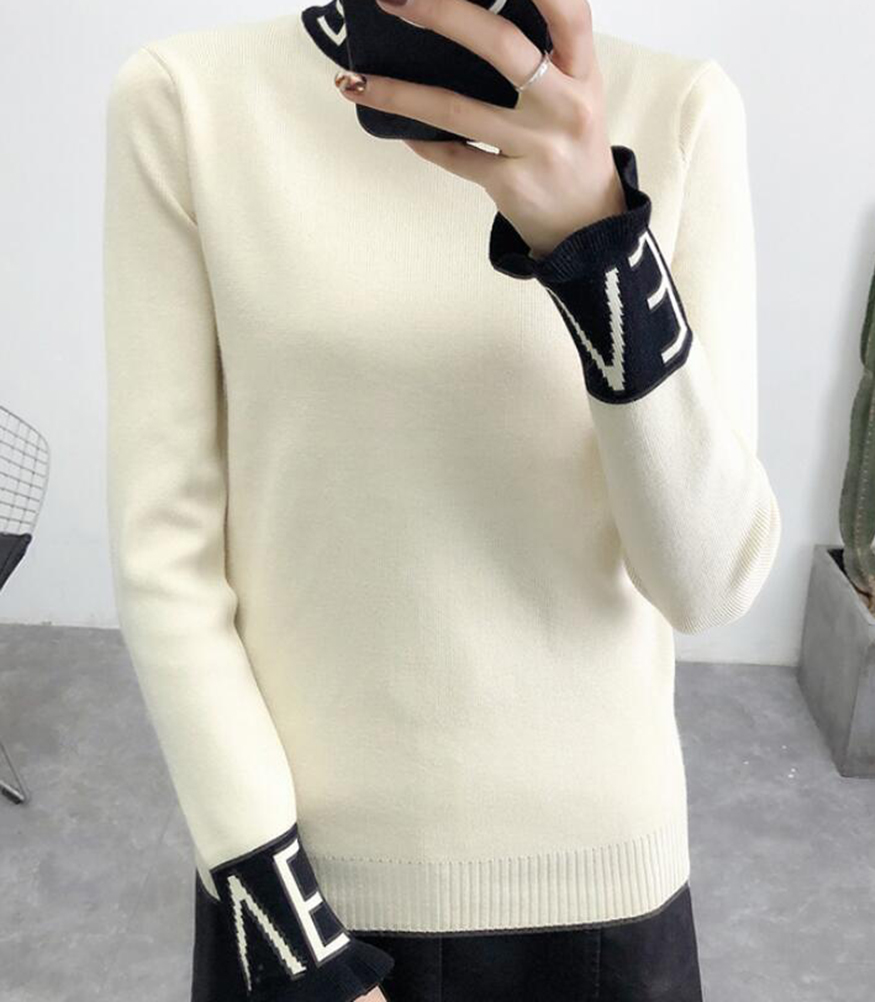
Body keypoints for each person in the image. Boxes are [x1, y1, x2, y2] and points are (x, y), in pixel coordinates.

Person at [102, 0, 782, 999]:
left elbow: (708, 583)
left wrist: (599, 244)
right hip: (308, 900)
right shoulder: (187, 103)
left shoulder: (678, 110)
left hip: (603, 896)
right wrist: (298, 950)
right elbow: (166, 557)